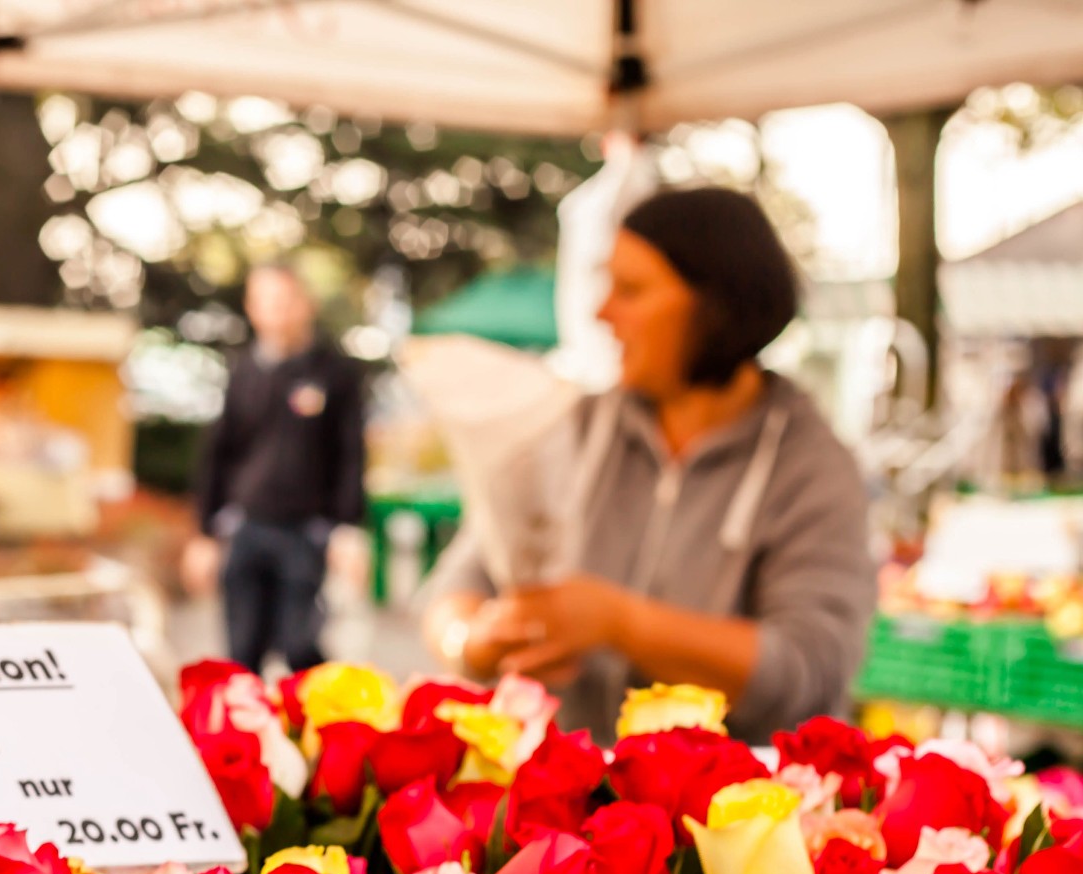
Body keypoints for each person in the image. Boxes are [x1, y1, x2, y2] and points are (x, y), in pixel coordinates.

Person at [421, 186, 876, 744]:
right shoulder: (574, 427)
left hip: (721, 819)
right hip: (564, 805)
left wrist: (620, 623)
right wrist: (470, 640)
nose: (602, 312)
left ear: (716, 308)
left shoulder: (811, 469)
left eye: (630, 290)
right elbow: (459, 579)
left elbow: (807, 669)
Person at [191, 264, 367, 673]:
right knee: (242, 653)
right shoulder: (242, 371)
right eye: (267, 302)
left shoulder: (334, 373)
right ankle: (244, 737)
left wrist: (348, 527)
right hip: (247, 528)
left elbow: (350, 454)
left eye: (286, 301)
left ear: (306, 305)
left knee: (299, 646)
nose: (278, 312)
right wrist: (203, 532)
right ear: (252, 308)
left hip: (306, 530)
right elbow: (217, 453)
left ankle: (320, 727)